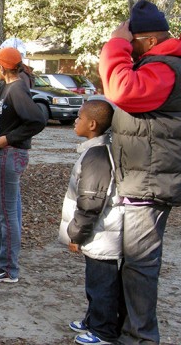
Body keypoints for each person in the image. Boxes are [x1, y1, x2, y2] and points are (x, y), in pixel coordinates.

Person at [98, 0, 181, 344]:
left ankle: (140, 337)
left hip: (152, 180)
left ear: (151, 40)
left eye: (134, 41)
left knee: (140, 265)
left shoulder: (166, 67)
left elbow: (122, 90)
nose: (129, 47)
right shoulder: (161, 63)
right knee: (132, 263)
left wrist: (115, 46)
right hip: (144, 177)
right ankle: (128, 329)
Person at [58, 100, 124, 345]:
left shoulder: (97, 156)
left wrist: (76, 235)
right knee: (94, 280)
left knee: (102, 283)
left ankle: (104, 331)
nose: (75, 121)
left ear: (93, 124)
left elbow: (91, 202)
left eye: (79, 117)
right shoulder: (94, 149)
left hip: (101, 234)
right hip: (97, 234)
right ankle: (93, 319)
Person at [0, 47, 46, 283]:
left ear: (3, 68)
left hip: (10, 155)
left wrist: (9, 138)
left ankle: (8, 269)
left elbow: (37, 120)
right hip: (0, 154)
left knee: (8, 214)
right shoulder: (5, 88)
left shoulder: (18, 89)